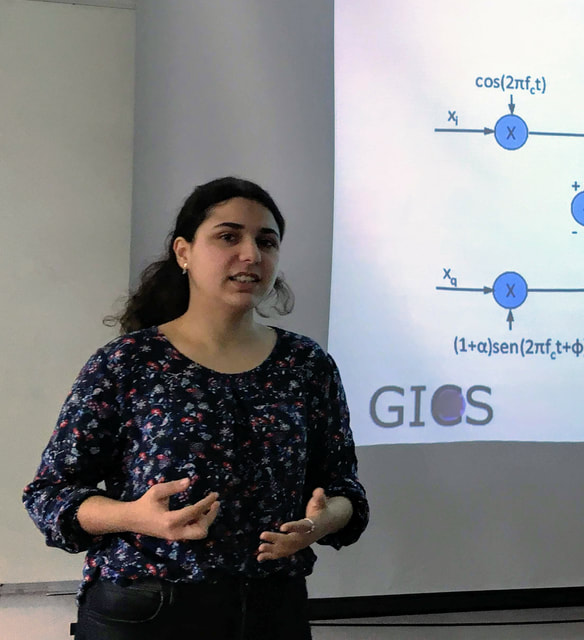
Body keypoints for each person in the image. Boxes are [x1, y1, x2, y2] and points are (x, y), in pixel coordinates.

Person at [23, 177, 369, 640]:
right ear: (183, 252)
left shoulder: (306, 364)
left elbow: (345, 489)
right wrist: (133, 516)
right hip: (147, 609)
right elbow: (50, 494)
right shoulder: (128, 361)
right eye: (228, 237)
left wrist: (321, 521)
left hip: (273, 608)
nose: (251, 254)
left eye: (266, 241)